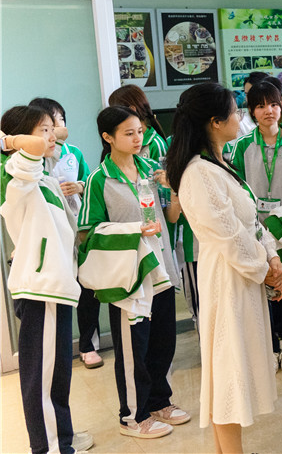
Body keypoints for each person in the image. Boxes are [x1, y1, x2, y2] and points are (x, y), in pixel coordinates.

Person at [164, 82, 282, 453]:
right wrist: (264, 268)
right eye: (236, 111)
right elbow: (228, 233)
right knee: (229, 378)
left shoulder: (219, 164)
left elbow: (250, 222)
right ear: (215, 122)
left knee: (236, 373)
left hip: (243, 275)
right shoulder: (198, 173)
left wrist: (273, 257)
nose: (241, 117)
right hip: (228, 279)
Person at [78, 106, 187, 439]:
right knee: (132, 348)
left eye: (139, 131)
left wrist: (177, 187)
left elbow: (169, 218)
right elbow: (87, 232)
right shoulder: (100, 178)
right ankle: (133, 416)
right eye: (128, 133)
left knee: (162, 342)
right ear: (108, 137)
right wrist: (132, 230)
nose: (138, 138)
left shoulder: (152, 170)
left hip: (161, 269)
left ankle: (158, 402)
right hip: (129, 276)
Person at [1, 108, 94, 454]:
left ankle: (62, 439)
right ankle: (48, 448)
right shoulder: (15, 176)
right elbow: (28, 153)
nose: (53, 135)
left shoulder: (43, 179)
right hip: (38, 289)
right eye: (44, 129)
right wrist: (7, 140)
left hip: (58, 287)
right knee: (39, 379)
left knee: (57, 377)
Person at [228, 81, 282, 372]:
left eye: (273, 104)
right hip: (254, 224)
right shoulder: (241, 146)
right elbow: (235, 186)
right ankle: (268, 346)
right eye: (260, 106)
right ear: (251, 111)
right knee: (261, 282)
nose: (268, 111)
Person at [28, 97, 102, 369]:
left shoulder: (74, 153)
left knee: (87, 288)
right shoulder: (31, 156)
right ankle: (57, 349)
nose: (58, 127)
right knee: (59, 288)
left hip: (76, 228)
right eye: (49, 123)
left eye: (60, 119)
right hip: (49, 233)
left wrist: (80, 186)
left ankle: (88, 344)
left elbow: (89, 183)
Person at [107, 84, 168, 162]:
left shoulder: (156, 145)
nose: (113, 117)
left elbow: (161, 173)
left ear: (132, 110)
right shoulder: (123, 142)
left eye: (116, 112)